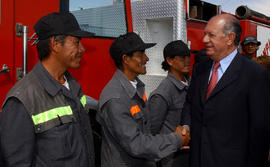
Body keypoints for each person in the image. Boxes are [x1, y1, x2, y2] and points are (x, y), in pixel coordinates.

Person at [0, 12, 96, 166]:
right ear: (55, 44)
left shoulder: (74, 87)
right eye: (76, 42)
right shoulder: (22, 100)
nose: (82, 49)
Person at [181, 14, 270, 167]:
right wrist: (186, 126)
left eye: (211, 35)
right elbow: (190, 103)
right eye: (205, 34)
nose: (204, 40)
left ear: (230, 38)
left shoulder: (254, 74)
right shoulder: (200, 69)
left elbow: (260, 131)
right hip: (198, 159)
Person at [96, 32, 190, 167]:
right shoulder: (115, 98)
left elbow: (147, 133)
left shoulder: (135, 87)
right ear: (126, 59)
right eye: (141, 54)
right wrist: (176, 140)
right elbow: (136, 144)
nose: (146, 59)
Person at [147, 40, 190, 167]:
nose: (187, 60)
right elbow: (151, 132)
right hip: (171, 159)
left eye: (188, 56)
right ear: (170, 61)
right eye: (182, 57)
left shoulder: (190, 84)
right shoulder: (162, 93)